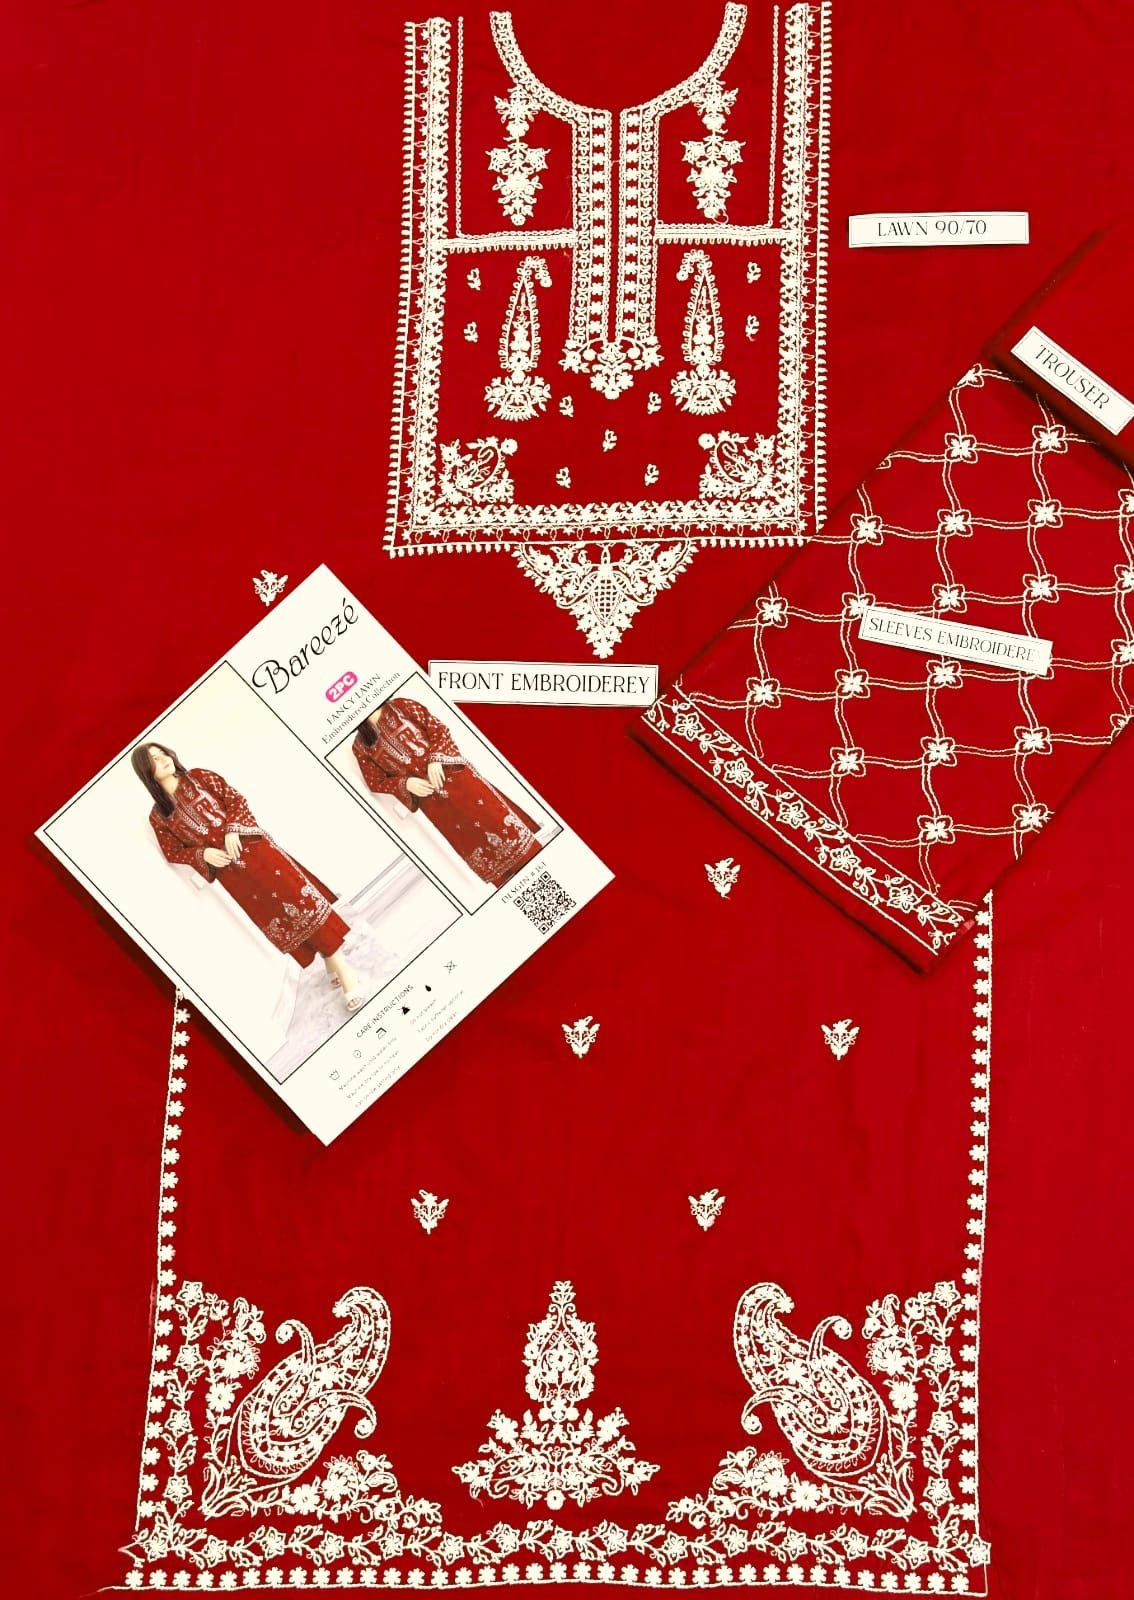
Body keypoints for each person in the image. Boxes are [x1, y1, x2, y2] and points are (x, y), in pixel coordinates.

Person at [132, 743, 363, 1009]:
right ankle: (329, 958)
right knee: (280, 917)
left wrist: (232, 829)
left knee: (302, 903)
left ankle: (344, 969)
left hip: (257, 852)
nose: (163, 758)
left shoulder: (199, 778)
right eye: (154, 759)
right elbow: (173, 851)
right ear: (146, 771)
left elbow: (235, 800)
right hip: (233, 876)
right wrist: (202, 854)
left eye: (162, 752)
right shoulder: (159, 817)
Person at [352, 698, 542, 887]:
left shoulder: (402, 706)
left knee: (498, 822)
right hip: (433, 803)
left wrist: (436, 759)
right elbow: (375, 781)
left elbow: (438, 729)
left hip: (457, 779)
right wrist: (405, 783)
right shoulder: (360, 746)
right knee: (472, 842)